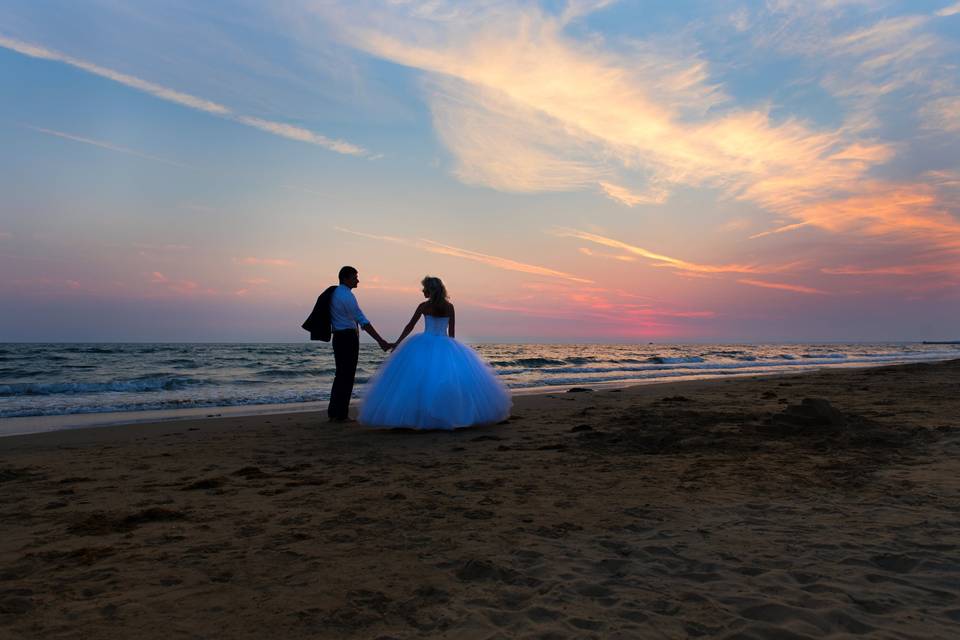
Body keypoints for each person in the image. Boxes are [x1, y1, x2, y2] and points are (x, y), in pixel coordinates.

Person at [359, 276, 512, 429]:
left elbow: (409, 327)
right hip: (446, 344)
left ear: (431, 290)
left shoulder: (423, 306)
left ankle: (421, 415)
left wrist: (398, 343)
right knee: (444, 380)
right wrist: (453, 351)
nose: (423, 291)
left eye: (425, 288)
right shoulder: (449, 306)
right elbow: (451, 333)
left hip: (424, 343)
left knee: (420, 380)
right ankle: (448, 413)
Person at [327, 266, 391, 423]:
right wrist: (380, 341)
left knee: (340, 375)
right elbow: (363, 320)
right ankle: (341, 415)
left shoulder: (334, 293)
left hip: (338, 337)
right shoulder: (347, 296)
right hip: (348, 338)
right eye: (355, 277)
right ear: (346, 278)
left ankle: (334, 412)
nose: (358, 280)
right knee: (347, 376)